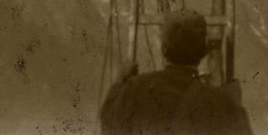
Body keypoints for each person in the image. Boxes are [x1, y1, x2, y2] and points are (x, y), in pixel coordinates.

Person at [100, 9, 252, 135]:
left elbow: (108, 126)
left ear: (164, 49)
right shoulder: (222, 102)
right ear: (204, 51)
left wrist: (119, 82)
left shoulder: (136, 88)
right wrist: (234, 103)